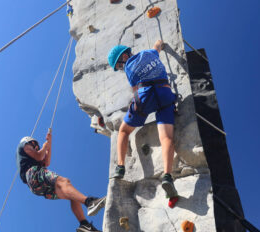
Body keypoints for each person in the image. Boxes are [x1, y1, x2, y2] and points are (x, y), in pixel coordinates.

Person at [107, 40, 179, 200]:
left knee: (124, 131)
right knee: (167, 137)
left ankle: (120, 166)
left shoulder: (129, 68)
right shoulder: (149, 53)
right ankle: (167, 176)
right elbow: (157, 46)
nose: (120, 68)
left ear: (125, 56)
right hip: (165, 93)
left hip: (145, 96)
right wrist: (161, 43)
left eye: (119, 65)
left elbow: (136, 91)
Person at [16, 131, 105, 232]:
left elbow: (46, 162)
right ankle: (90, 202)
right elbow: (39, 156)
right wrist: (45, 146)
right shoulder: (23, 146)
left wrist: (49, 144)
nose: (36, 147)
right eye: (35, 145)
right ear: (30, 142)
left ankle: (84, 224)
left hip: (36, 186)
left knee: (72, 194)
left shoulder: (31, 157)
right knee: (64, 182)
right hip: (34, 173)